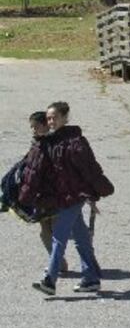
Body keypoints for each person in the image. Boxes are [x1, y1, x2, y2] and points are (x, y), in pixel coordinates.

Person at [21, 102, 111, 296]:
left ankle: (50, 280)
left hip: (74, 197)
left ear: (64, 117)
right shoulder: (50, 141)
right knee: (81, 239)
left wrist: (95, 192)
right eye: (49, 118)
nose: (50, 121)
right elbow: (39, 171)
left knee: (58, 238)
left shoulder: (75, 141)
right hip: (63, 197)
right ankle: (91, 278)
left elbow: (89, 168)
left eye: (54, 117)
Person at [28, 111, 69, 273]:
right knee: (46, 232)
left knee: (53, 232)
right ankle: (58, 263)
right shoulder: (37, 142)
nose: (33, 130)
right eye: (31, 127)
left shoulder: (53, 143)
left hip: (53, 194)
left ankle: (58, 263)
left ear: (45, 125)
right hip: (42, 195)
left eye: (36, 126)